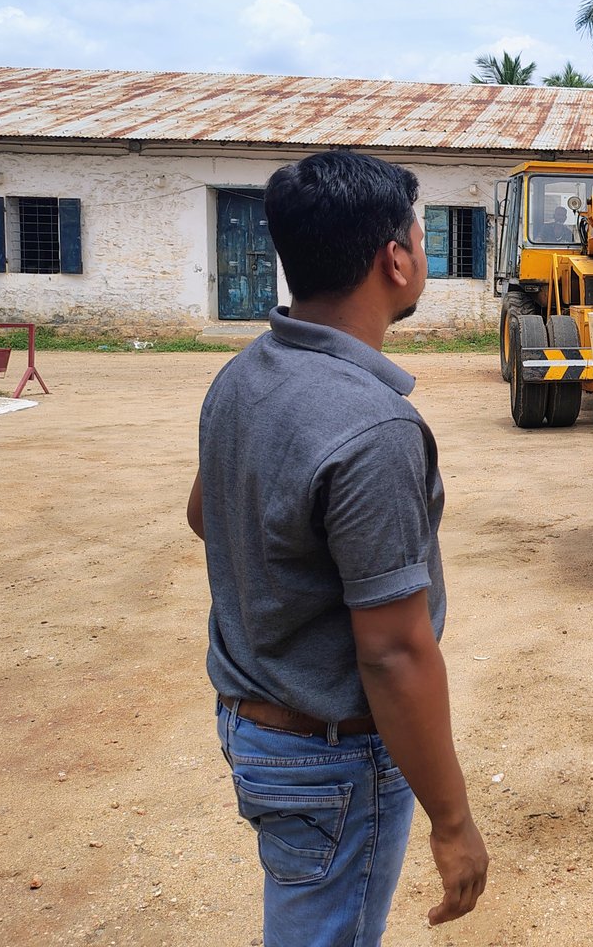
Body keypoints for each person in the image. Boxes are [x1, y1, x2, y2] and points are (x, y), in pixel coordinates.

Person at [186, 150, 487, 946]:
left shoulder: (244, 374)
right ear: (396, 259)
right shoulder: (374, 427)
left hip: (253, 726)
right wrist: (453, 822)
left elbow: (206, 514)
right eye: (422, 240)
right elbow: (392, 652)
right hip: (329, 759)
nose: (422, 254)